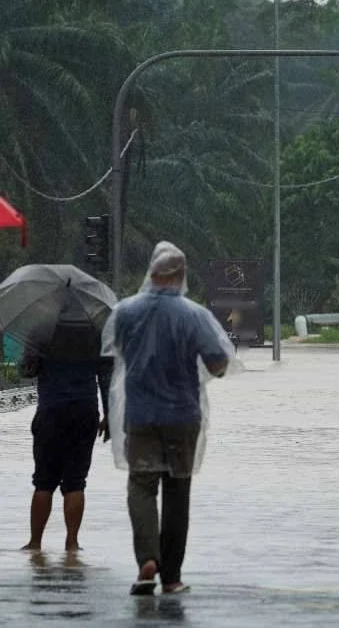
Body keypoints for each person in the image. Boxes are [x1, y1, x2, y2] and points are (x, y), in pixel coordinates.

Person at [103, 241, 238, 596]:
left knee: (142, 485)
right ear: (180, 275)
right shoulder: (194, 315)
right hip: (182, 416)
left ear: (152, 271)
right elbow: (217, 364)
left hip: (141, 414)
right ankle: (172, 576)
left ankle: (147, 559)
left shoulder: (126, 311)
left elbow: (117, 353)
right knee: (177, 491)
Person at [19, 320, 113, 552]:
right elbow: (106, 376)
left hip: (50, 411)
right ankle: (72, 543)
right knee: (76, 482)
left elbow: (26, 371)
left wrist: (34, 358)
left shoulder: (41, 329)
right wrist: (110, 415)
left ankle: (35, 543)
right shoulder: (97, 332)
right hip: (84, 411)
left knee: (43, 481)